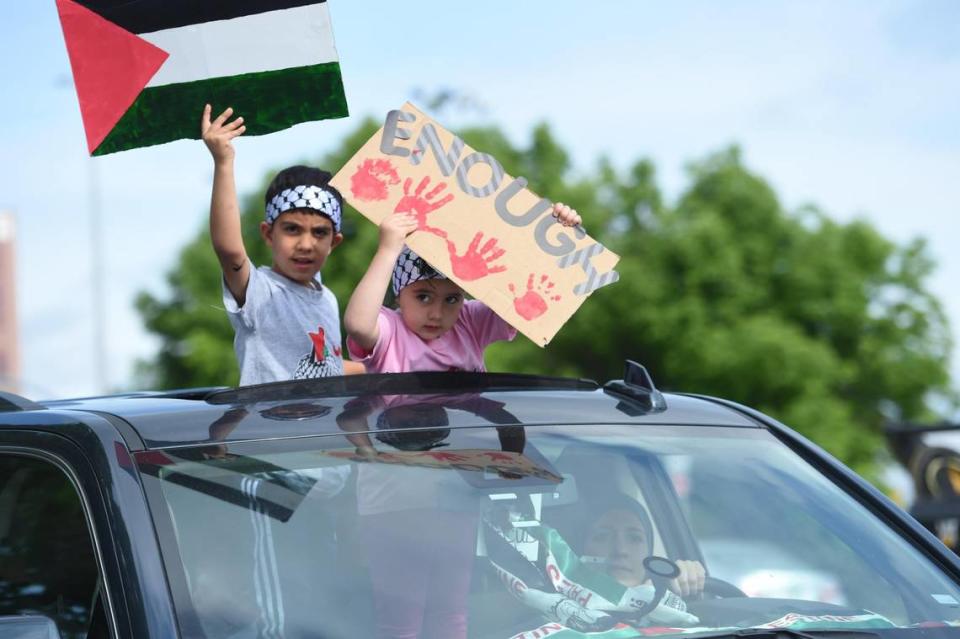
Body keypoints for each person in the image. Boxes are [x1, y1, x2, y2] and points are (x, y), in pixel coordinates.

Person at [200, 104, 364, 385]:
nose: (306, 244)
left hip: (323, 430)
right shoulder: (260, 293)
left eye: (319, 233)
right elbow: (229, 250)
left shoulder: (327, 299)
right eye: (292, 229)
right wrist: (223, 162)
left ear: (334, 242)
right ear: (267, 234)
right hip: (274, 430)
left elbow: (328, 367)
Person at [344, 205, 581, 373]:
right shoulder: (389, 331)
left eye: (451, 299)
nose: (437, 313)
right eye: (423, 297)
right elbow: (358, 325)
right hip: (401, 440)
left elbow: (530, 296)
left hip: (465, 440)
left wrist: (557, 229)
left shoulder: (468, 321)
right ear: (398, 295)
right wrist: (387, 250)